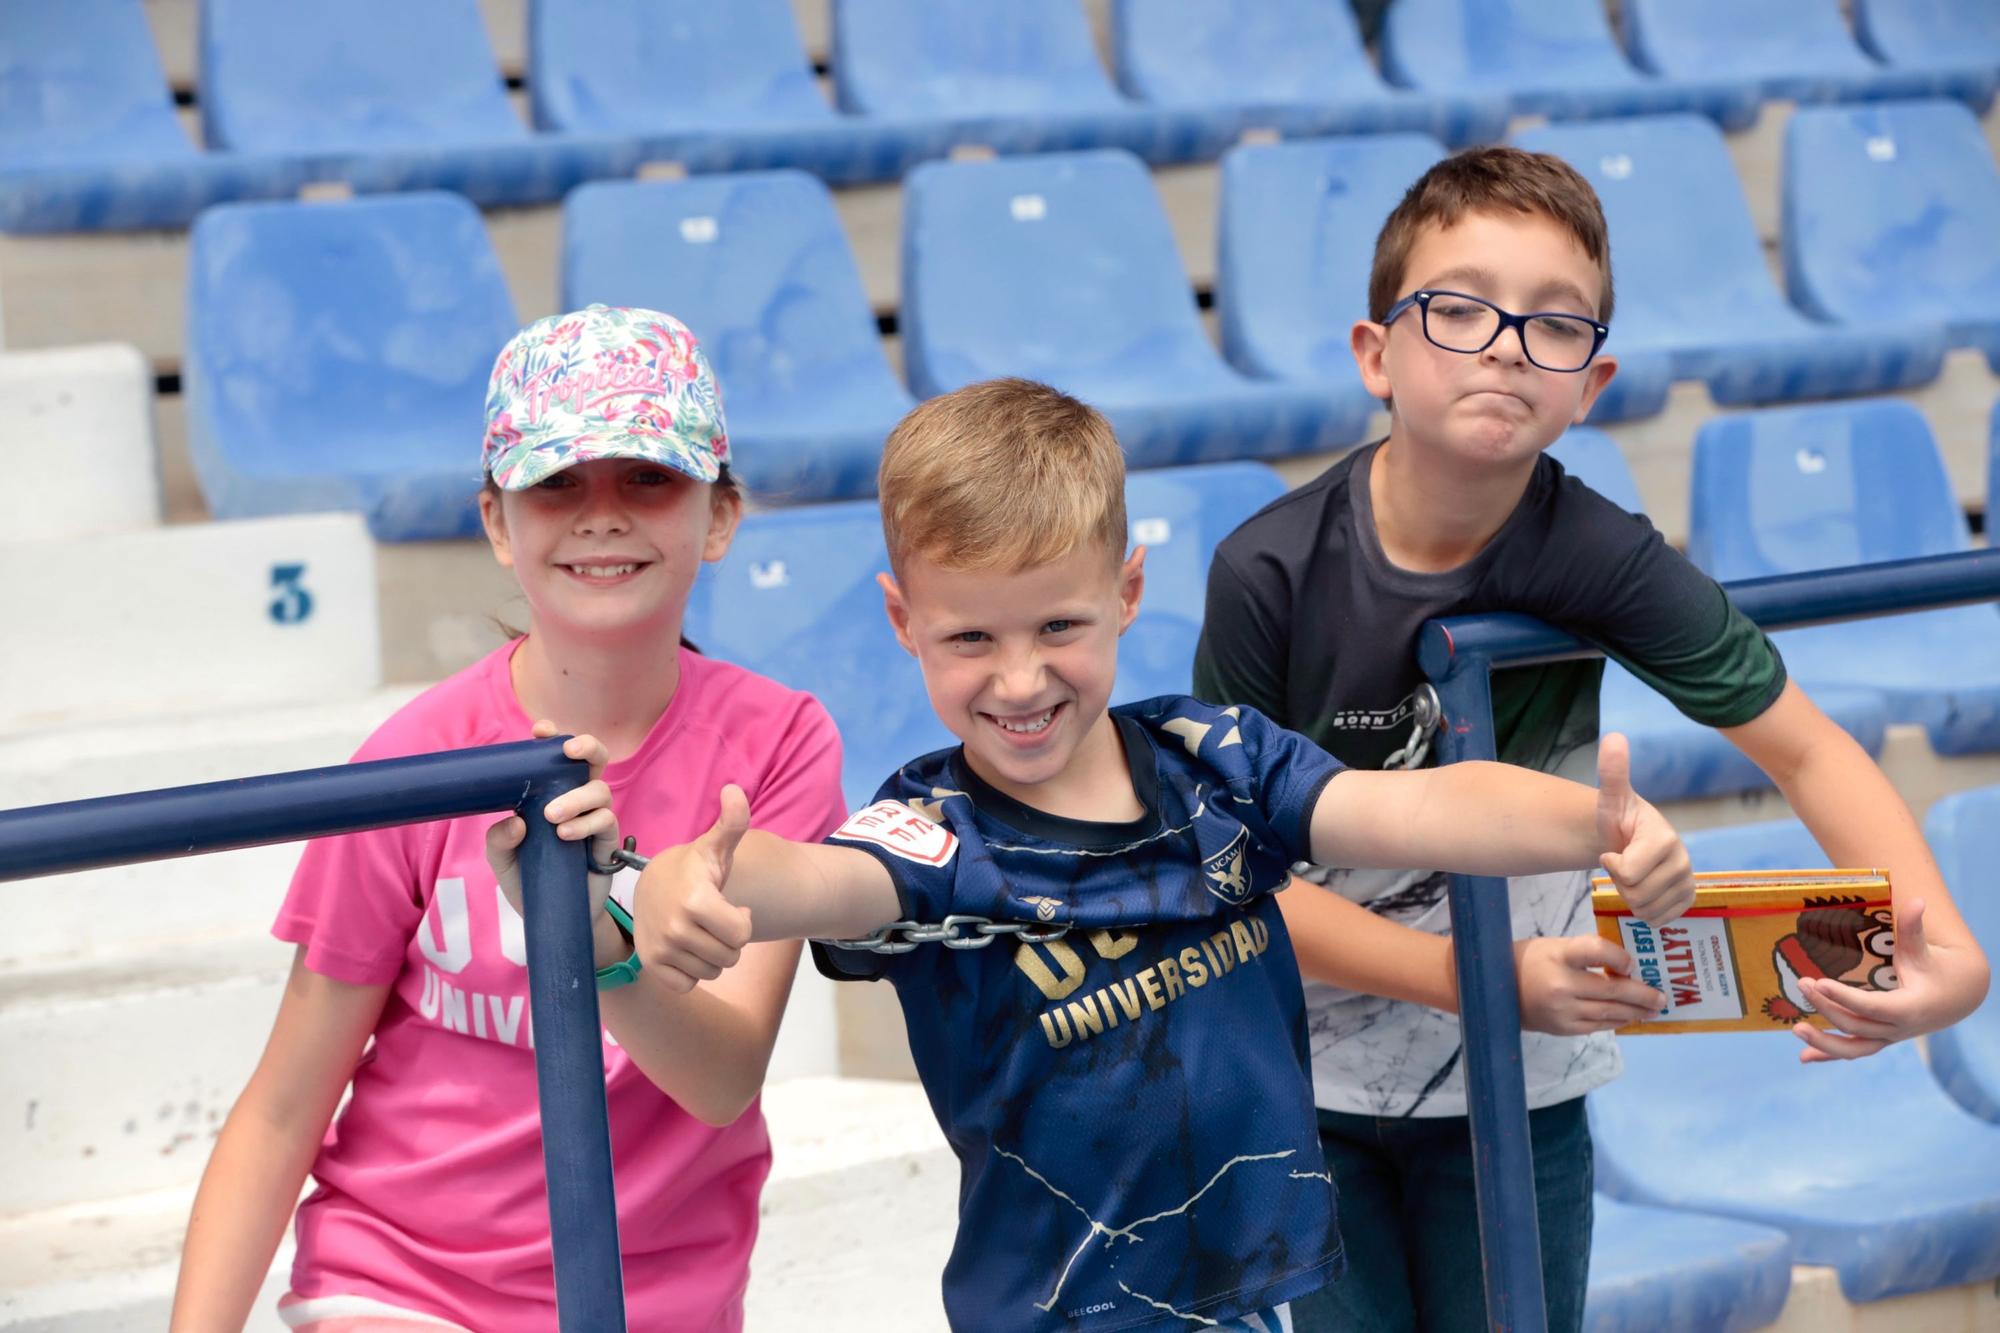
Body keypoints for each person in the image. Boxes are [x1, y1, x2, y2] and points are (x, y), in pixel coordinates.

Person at [627, 377, 1694, 1331]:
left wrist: (1593, 825)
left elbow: (1409, 807)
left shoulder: (1214, 760)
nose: (1018, 679)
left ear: (1126, 592)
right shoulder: (931, 827)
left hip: (1254, 1296)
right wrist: (697, 877)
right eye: (969, 639)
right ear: (903, 620)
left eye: (1057, 626)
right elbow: (818, 877)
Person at [1192, 146, 1993, 1332]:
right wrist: (1484, 983)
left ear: (1591, 382)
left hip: (1522, 1098)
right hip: (1303, 1091)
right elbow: (1231, 884)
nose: (1506, 344)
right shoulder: (1267, 573)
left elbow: (1808, 749)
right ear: (1375, 354)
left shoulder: (1596, 553)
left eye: (1551, 324)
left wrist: (1946, 955)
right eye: (1458, 308)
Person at [170, 306, 847, 1331]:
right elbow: (282, 1107)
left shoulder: (779, 745)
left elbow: (721, 1079)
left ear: (718, 516)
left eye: (648, 477)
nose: (602, 513)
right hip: (400, 1277)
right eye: (556, 482)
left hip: (653, 1295)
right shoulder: (412, 764)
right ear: (497, 522)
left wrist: (592, 942)